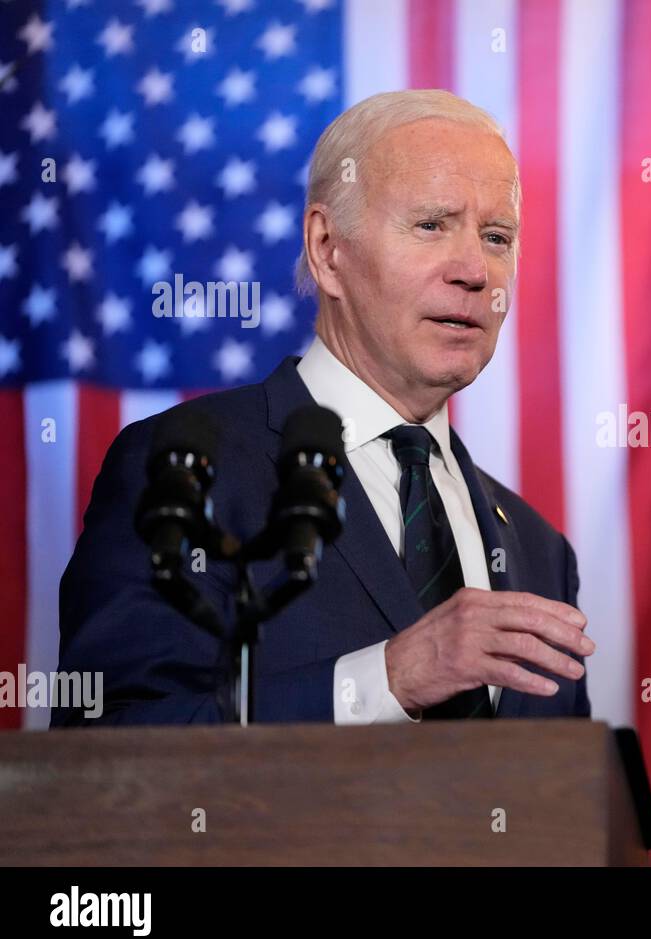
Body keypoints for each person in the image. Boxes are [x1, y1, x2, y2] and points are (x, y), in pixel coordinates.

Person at [53, 90, 594, 727]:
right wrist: (386, 680)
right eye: (431, 225)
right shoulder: (184, 470)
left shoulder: (540, 552)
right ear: (328, 248)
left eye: (497, 237)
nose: (475, 270)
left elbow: (567, 784)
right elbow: (110, 743)